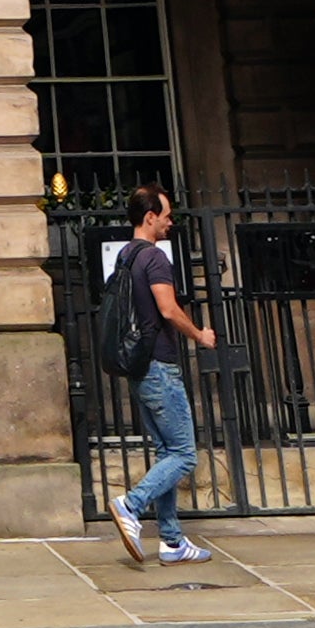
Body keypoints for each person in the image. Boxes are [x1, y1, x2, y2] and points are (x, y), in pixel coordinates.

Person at [101, 183, 215, 569]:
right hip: (159, 366)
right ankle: (130, 504)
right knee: (184, 454)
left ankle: (171, 541)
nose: (170, 223)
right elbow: (167, 309)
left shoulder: (126, 256)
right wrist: (200, 334)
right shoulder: (154, 258)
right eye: (166, 216)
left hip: (139, 367)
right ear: (150, 217)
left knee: (168, 451)